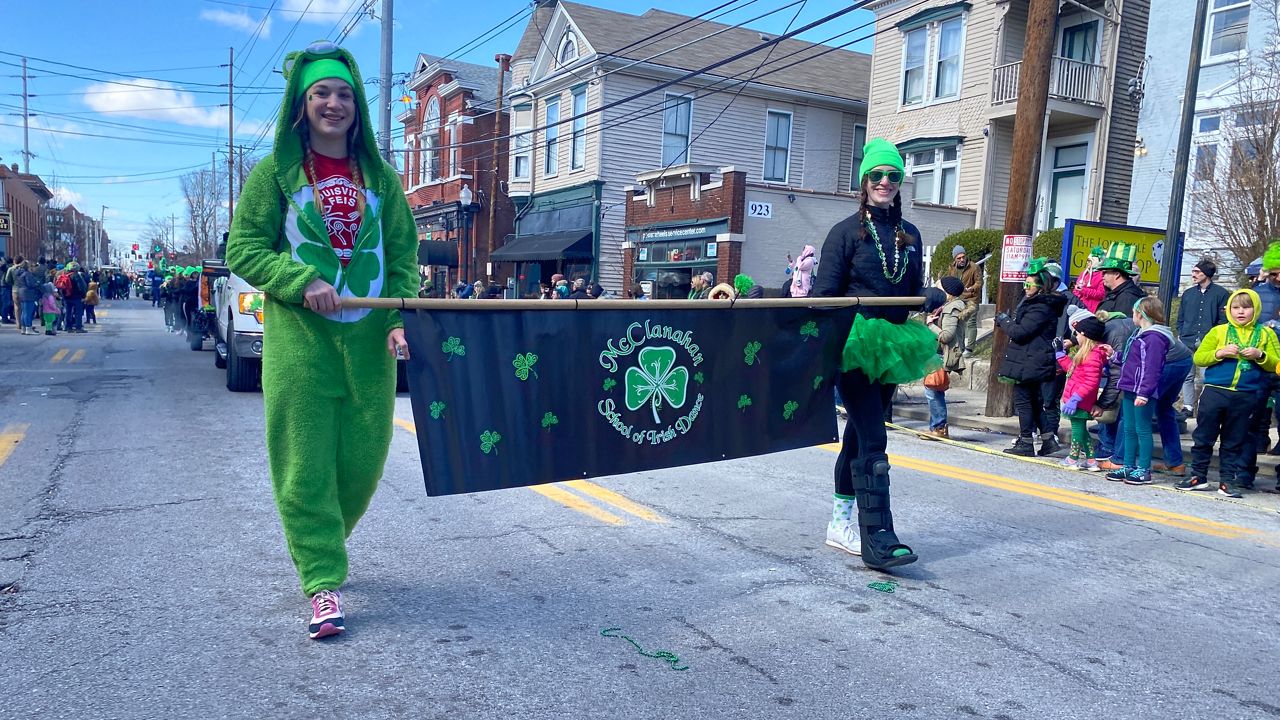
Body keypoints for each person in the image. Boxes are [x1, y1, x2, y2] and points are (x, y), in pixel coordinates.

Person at [225, 41, 418, 640]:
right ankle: (322, 581)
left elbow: (404, 260)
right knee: (304, 465)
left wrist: (398, 319)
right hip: (301, 344)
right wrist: (297, 279)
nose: (333, 104)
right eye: (320, 94)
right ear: (301, 105)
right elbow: (244, 250)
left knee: (362, 463)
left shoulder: (382, 181)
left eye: (343, 94)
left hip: (368, 346)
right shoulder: (275, 174)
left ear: (356, 105)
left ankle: (327, 542)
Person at [813, 137, 933, 570]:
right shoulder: (844, 232)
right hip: (855, 343)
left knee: (861, 435)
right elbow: (823, 295)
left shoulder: (911, 234)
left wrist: (929, 298)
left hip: (895, 344)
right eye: (877, 175)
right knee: (875, 437)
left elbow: (910, 290)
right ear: (863, 180)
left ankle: (840, 521)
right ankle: (877, 536)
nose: (885, 182)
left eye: (893, 176)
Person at [1182, 288, 1280, 497]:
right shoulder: (1219, 331)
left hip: (1246, 395)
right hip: (1215, 391)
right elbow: (1199, 358)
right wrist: (1220, 352)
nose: (1241, 312)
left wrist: (1260, 354)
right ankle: (1198, 475)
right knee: (1204, 436)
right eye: (1236, 307)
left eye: (1246, 307)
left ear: (1256, 309)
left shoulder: (1266, 333)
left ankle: (1227, 481)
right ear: (1229, 310)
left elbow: (1276, 364)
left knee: (1234, 440)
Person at [996, 259, 1067, 457]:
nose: (1025, 289)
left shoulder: (1040, 307)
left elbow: (1021, 332)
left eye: (1029, 285)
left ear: (1040, 287)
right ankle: (1047, 440)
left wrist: (1005, 321)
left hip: (1031, 360)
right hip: (1032, 358)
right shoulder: (1039, 304)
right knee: (1035, 401)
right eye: (1024, 285)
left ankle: (1026, 441)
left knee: (1024, 401)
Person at [1106, 297, 1172, 486]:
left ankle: (1144, 468)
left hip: (1142, 391)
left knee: (1142, 429)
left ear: (1140, 314)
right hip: (1130, 386)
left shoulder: (1154, 338)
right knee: (1129, 428)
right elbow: (1131, 359)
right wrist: (1114, 355)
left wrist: (1144, 392)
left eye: (1134, 312)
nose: (1132, 315)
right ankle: (1128, 465)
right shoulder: (1139, 334)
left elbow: (1151, 368)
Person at [1056, 316, 1110, 471]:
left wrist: (1075, 398)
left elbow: (1091, 382)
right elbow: (1073, 370)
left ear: (1086, 335)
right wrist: (1060, 356)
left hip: (1080, 400)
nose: (1076, 337)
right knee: (1081, 429)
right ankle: (1091, 460)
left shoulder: (1092, 356)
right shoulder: (1086, 353)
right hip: (1077, 398)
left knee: (1077, 430)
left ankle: (1072, 458)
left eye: (1077, 334)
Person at [1177, 259, 1230, 417]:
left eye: (1197, 272)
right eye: (1193, 271)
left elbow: (1223, 319)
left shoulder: (1221, 294)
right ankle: (1188, 406)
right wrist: (1181, 331)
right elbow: (1181, 317)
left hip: (1209, 341)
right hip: (1187, 339)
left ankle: (1205, 406)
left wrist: (1215, 337)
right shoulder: (1188, 294)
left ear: (1207, 274)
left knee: (1208, 375)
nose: (1193, 275)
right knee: (1187, 375)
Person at [924, 275, 966, 439]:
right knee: (933, 389)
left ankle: (939, 427)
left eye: (939, 287)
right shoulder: (946, 306)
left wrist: (930, 325)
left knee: (933, 389)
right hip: (939, 353)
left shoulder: (951, 309)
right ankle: (936, 426)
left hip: (942, 354)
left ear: (948, 292)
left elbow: (947, 335)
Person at [945, 245, 981, 356]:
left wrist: (973, 288)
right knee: (959, 323)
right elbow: (949, 281)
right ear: (955, 259)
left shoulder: (974, 267)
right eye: (959, 258)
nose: (962, 260)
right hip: (957, 299)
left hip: (971, 299)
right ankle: (961, 346)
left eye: (963, 257)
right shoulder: (952, 268)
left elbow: (979, 282)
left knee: (971, 323)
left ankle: (969, 349)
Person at [1096, 242, 1145, 315]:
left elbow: (1123, 325)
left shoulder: (1127, 298)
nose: (1102, 275)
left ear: (1117, 274)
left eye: (1105, 272)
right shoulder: (1115, 293)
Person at [1073, 246, 1107, 313]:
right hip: (1079, 307)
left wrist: (1083, 290)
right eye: (1087, 260)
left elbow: (1101, 294)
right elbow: (1076, 291)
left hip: (1092, 310)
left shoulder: (1102, 275)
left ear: (1096, 262)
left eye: (1090, 261)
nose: (1087, 263)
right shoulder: (1084, 273)